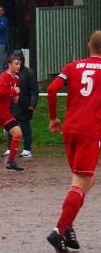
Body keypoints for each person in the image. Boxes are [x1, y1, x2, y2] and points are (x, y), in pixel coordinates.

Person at [45, 31, 101, 252]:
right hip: (90, 131)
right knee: (82, 182)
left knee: (84, 181)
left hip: (71, 129)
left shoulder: (73, 66)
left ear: (89, 46)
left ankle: (67, 227)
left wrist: (53, 118)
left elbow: (51, 89)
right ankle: (59, 230)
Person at [3, 50, 38, 158]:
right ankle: (10, 148)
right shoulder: (10, 73)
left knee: (25, 126)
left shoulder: (29, 73)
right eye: (15, 60)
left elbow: (34, 90)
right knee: (11, 126)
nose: (18, 63)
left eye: (19, 60)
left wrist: (32, 104)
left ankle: (27, 148)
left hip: (25, 104)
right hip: (13, 105)